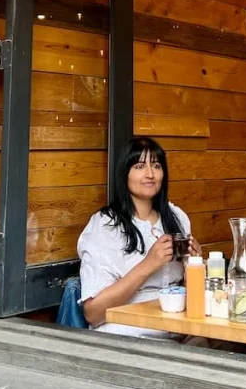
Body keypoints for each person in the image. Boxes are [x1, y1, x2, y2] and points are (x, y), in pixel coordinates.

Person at [78, 136, 200, 336]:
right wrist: (148, 264)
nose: (150, 174)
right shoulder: (106, 225)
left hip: (176, 326)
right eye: (140, 166)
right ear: (124, 173)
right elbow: (93, 313)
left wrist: (194, 266)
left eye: (157, 166)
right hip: (130, 332)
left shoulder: (176, 218)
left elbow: (189, 294)